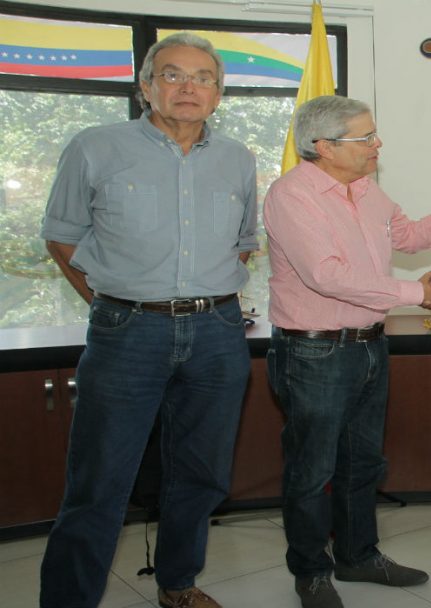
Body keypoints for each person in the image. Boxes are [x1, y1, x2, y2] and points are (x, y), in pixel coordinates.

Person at [39, 33, 257, 608]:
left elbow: (243, 244)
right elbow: (61, 236)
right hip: (127, 334)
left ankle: (177, 584)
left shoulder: (238, 158)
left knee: (202, 474)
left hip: (217, 333)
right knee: (99, 481)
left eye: (203, 78)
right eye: (173, 74)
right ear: (145, 87)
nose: (188, 87)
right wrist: (111, 304)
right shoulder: (95, 147)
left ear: (218, 93)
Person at [263, 94, 431, 608]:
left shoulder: (367, 190)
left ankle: (358, 556)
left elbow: (407, 237)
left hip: (369, 345)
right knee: (312, 470)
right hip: (314, 353)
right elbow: (327, 276)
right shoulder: (292, 195)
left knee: (363, 462)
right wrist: (417, 293)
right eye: (365, 137)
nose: (377, 144)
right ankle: (311, 571)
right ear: (324, 146)